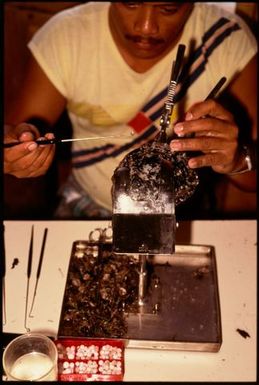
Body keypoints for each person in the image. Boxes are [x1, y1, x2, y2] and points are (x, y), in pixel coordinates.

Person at [4, 2, 257, 219]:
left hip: (181, 213)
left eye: (168, 8)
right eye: (131, 3)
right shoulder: (67, 35)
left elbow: (252, 180)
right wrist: (16, 153)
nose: (146, 26)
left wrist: (237, 159)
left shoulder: (226, 39)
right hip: (87, 203)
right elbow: (12, 141)